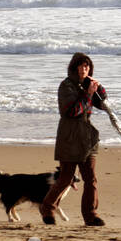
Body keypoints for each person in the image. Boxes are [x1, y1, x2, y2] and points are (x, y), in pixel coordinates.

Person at [41, 52, 105, 226]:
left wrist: (97, 88)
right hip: (69, 136)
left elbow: (102, 103)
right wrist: (88, 94)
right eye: (82, 66)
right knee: (66, 178)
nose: (85, 69)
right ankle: (47, 207)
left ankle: (91, 215)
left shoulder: (87, 85)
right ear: (74, 67)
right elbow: (71, 111)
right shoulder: (66, 86)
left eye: (87, 66)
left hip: (87, 137)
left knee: (91, 179)